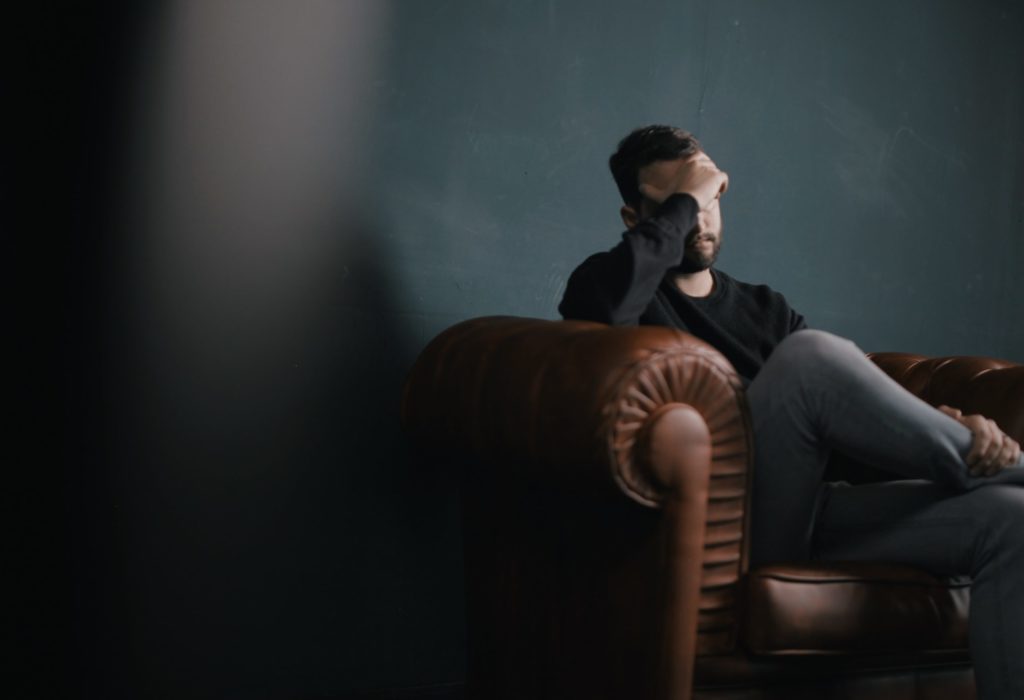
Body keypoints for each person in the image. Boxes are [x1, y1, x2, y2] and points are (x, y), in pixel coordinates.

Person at [558, 125, 1024, 699]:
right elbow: (601, 320)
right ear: (636, 218)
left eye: (710, 197)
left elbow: (845, 433)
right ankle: (994, 464)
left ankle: (987, 467)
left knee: (1012, 517)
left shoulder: (765, 308)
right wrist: (689, 195)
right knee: (809, 358)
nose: (700, 218)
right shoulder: (608, 286)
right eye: (682, 203)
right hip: (728, 530)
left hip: (811, 514)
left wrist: (938, 425)